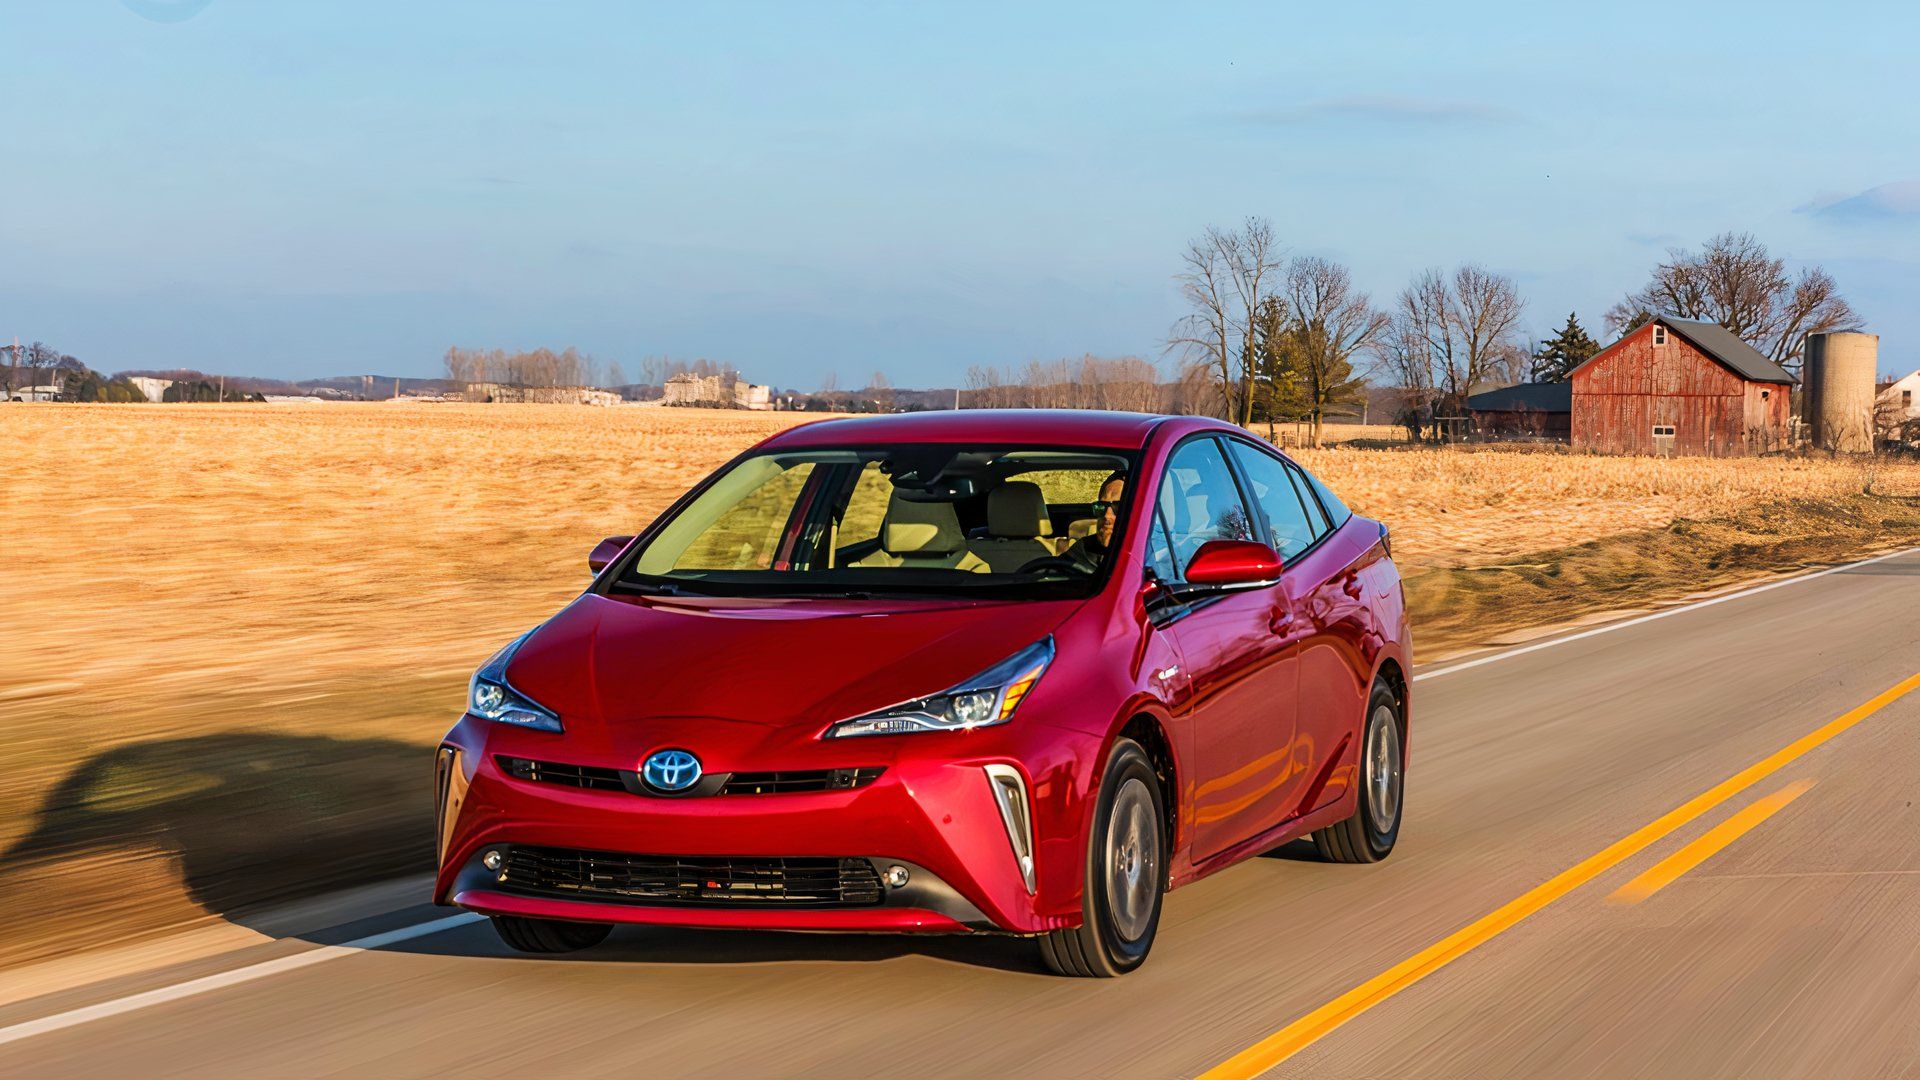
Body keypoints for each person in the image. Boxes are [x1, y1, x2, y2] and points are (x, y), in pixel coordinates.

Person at [1064, 472, 1125, 571]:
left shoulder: (1150, 558)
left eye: (1118, 507)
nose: (1107, 515)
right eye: (1101, 507)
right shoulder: (1083, 549)